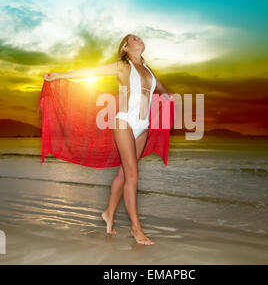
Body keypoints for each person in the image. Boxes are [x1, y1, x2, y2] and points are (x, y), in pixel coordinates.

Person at [44, 34, 173, 245]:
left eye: (140, 38)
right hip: (124, 122)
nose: (139, 40)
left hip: (143, 127)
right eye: (134, 38)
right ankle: (135, 228)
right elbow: (90, 71)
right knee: (132, 176)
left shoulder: (149, 70)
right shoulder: (122, 66)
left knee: (123, 173)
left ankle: (108, 214)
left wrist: (168, 97)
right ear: (125, 46)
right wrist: (57, 75)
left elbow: (159, 87)